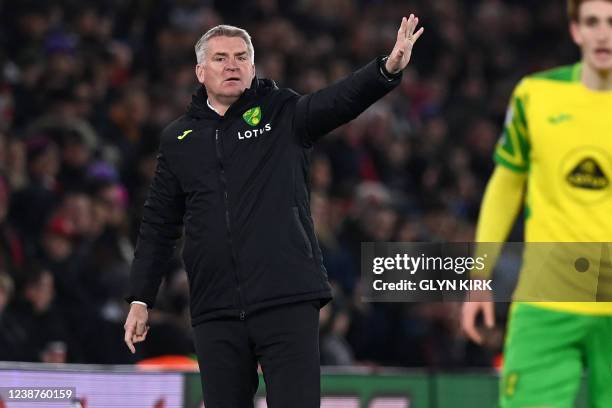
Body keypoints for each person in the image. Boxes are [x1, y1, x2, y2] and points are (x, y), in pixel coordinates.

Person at [124, 17, 423, 407]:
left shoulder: (282, 113)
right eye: (220, 58)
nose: (232, 65)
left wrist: (386, 70)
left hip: (286, 299)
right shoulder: (179, 138)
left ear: (252, 66)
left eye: (241, 57)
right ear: (200, 71)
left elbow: (337, 101)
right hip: (215, 308)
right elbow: (159, 223)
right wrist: (140, 298)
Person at [462, 1, 612, 406]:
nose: (603, 33)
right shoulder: (536, 95)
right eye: (593, 22)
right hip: (545, 299)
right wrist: (478, 276)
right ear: (576, 30)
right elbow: (505, 184)